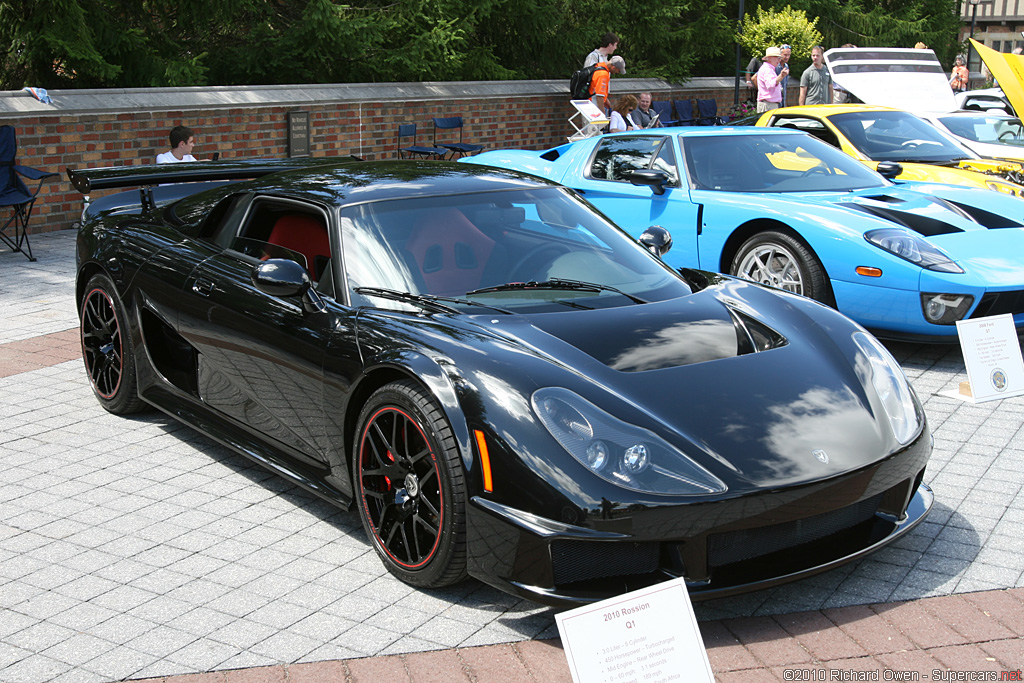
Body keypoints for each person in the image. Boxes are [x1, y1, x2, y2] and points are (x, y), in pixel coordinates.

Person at [756, 46, 788, 113]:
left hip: (769, 104)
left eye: (780, 58)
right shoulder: (767, 69)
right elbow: (770, 85)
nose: (779, 60)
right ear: (769, 58)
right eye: (777, 57)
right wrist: (781, 76)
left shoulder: (769, 69)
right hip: (768, 105)